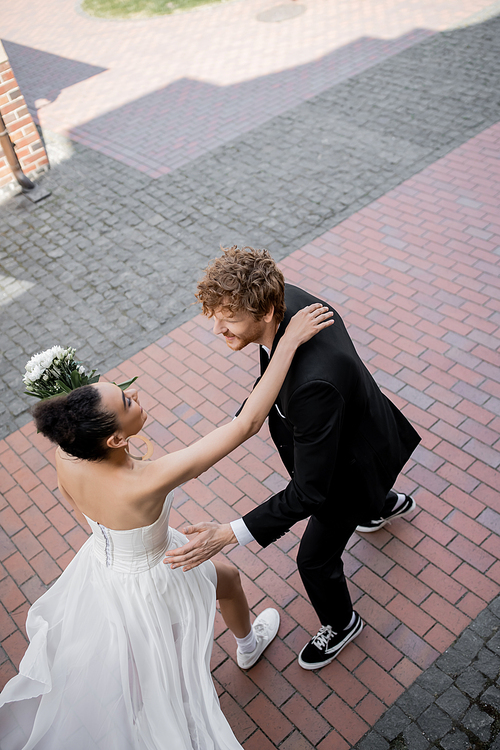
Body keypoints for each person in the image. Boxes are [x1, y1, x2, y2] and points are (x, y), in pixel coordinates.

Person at [0, 303, 332, 750]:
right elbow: (247, 423)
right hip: (155, 571)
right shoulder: (142, 481)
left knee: (225, 582)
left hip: (104, 561)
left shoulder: (68, 453)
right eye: (127, 401)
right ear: (115, 440)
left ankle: (248, 644)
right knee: (164, 674)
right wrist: (287, 343)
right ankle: (241, 651)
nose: (135, 395)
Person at [165, 246, 421, 671]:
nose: (216, 328)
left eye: (226, 317)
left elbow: (309, 490)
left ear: (264, 311)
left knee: (313, 560)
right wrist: (242, 418)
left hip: (346, 472)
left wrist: (229, 534)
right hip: (366, 433)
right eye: (213, 315)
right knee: (367, 492)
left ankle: (341, 624)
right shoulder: (292, 303)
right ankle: (380, 505)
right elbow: (274, 373)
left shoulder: (312, 384)